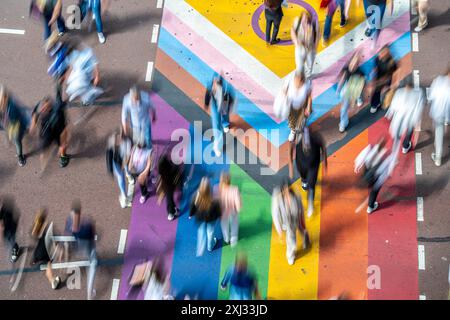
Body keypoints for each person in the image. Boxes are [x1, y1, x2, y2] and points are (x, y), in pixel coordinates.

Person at [64, 200, 97, 300]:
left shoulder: (69, 220)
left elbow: (67, 234)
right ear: (80, 211)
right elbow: (93, 237)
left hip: (76, 249)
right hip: (86, 248)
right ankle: (89, 295)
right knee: (93, 265)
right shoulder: (87, 224)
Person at [271, 181, 310, 265]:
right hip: (288, 222)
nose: (287, 193)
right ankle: (290, 255)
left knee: (302, 229)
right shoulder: (277, 199)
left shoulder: (296, 196)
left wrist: (302, 219)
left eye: (288, 190)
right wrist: (279, 228)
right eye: (285, 191)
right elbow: (275, 214)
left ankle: (305, 237)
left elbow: (301, 209)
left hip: (297, 217)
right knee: (291, 238)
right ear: (282, 191)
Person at [354, 138, 396, 214]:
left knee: (368, 181)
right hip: (376, 175)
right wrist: (382, 180)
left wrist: (357, 165)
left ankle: (368, 185)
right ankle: (370, 206)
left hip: (366, 169)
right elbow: (386, 170)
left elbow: (361, 156)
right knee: (374, 190)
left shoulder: (371, 147)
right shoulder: (387, 155)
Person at [30, 89, 70, 168]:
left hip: (45, 133)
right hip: (54, 132)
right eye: (43, 108)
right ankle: (63, 159)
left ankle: (44, 159)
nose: (42, 109)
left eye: (44, 108)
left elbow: (34, 114)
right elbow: (63, 128)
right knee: (62, 146)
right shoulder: (57, 113)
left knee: (45, 147)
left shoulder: (40, 110)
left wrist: (33, 126)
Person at [385, 77, 425, 156]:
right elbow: (419, 107)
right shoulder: (419, 92)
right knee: (409, 131)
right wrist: (417, 120)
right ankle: (405, 146)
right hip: (410, 117)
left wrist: (389, 114)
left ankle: (397, 143)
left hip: (399, 116)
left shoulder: (399, 92)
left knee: (397, 131)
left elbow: (393, 105)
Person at [294, 129, 327, 217]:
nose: (307, 146)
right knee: (304, 178)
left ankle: (310, 205)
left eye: (308, 145)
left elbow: (323, 148)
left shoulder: (316, 139)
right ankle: (304, 180)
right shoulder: (297, 142)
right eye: (305, 145)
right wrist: (290, 167)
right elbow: (291, 153)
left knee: (312, 185)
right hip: (301, 164)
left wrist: (325, 162)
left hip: (313, 165)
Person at [205, 73, 236, 157]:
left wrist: (230, 106)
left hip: (223, 102)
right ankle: (216, 146)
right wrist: (207, 103)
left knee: (225, 115)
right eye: (215, 81)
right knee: (216, 125)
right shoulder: (211, 88)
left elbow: (231, 97)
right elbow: (207, 95)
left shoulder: (225, 88)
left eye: (218, 81)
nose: (216, 82)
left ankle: (225, 124)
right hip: (215, 105)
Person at [31, 209, 62, 290]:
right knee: (48, 265)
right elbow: (54, 240)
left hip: (37, 253)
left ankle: (34, 260)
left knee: (40, 258)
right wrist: (58, 251)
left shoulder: (36, 228)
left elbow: (35, 236)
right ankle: (53, 282)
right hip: (44, 252)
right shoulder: (48, 226)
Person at [190, 177, 221, 257]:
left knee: (201, 231)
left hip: (200, 218)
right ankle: (210, 246)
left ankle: (200, 248)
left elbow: (192, 206)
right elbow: (218, 210)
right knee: (210, 232)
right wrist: (219, 216)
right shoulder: (213, 198)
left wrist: (191, 214)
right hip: (211, 218)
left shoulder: (196, 195)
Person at [0, 86, 31, 167]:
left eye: (4, 96)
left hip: (15, 125)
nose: (3, 99)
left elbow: (20, 114)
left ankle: (20, 157)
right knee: (12, 136)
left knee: (17, 141)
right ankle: (11, 138)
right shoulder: (2, 105)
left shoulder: (12, 105)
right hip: (7, 125)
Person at [337, 51, 365, 132]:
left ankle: (342, 124)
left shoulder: (360, 73)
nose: (352, 66)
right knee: (344, 107)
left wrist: (353, 100)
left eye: (355, 64)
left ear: (357, 64)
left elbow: (359, 87)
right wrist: (339, 88)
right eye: (352, 63)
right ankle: (343, 122)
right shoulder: (346, 68)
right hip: (347, 87)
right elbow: (343, 78)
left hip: (353, 88)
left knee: (344, 108)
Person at [428, 66, 450, 167]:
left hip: (438, 112)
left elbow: (431, 96)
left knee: (439, 133)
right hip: (447, 113)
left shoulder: (439, 80)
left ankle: (438, 157)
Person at [106, 129, 132, 208]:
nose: (119, 140)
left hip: (124, 159)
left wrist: (124, 165)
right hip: (116, 161)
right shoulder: (112, 143)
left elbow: (127, 156)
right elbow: (108, 157)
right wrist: (110, 170)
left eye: (121, 138)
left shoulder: (128, 142)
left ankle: (128, 174)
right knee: (121, 177)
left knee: (126, 168)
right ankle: (124, 195)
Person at [369, 45, 398, 114]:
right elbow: (375, 68)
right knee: (376, 91)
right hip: (379, 77)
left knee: (389, 92)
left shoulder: (392, 62)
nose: (380, 55)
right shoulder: (377, 59)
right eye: (380, 53)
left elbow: (394, 73)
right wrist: (373, 77)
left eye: (382, 53)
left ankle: (389, 103)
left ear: (387, 53)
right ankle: (375, 104)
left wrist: (393, 83)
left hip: (387, 79)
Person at [291, 12, 319, 78]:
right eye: (304, 18)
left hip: (310, 49)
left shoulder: (314, 25)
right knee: (299, 66)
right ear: (301, 18)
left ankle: (308, 77)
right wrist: (296, 41)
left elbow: (317, 37)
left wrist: (314, 48)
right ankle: (299, 78)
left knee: (309, 66)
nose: (305, 20)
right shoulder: (297, 21)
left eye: (307, 19)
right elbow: (292, 30)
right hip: (300, 48)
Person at [156, 153, 183, 221]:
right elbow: (176, 174)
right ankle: (171, 213)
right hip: (171, 185)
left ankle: (173, 210)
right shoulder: (171, 168)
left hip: (168, 186)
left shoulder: (162, 171)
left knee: (170, 198)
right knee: (169, 199)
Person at [218, 172, 242, 248]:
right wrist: (238, 209)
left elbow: (214, 200)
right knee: (234, 223)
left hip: (222, 210)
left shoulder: (217, 189)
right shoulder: (235, 189)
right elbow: (238, 202)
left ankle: (226, 238)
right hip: (233, 210)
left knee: (224, 224)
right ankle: (233, 238)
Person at [0, 196, 21, 263]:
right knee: (7, 239)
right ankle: (15, 247)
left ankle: (15, 251)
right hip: (8, 227)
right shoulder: (3, 208)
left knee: (10, 240)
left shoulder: (5, 209)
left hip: (10, 227)